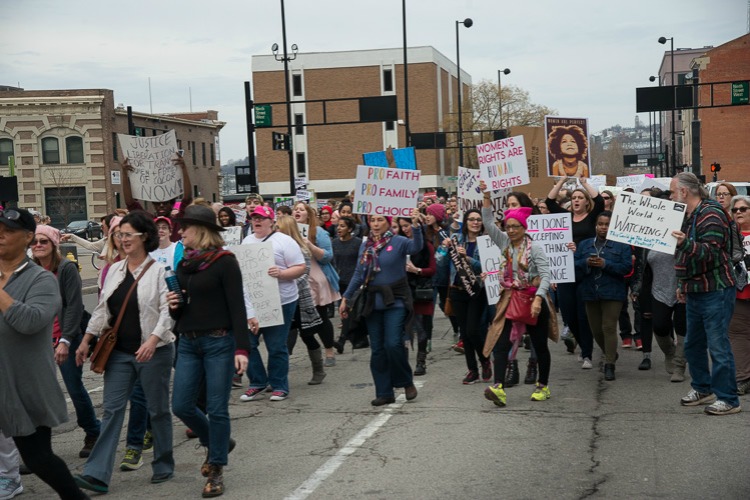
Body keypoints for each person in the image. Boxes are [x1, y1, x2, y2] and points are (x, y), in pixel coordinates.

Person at [74, 212, 175, 494]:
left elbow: (169, 313)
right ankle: (97, 474)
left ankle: (164, 463)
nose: (123, 240)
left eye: (128, 234)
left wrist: (153, 340)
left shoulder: (160, 270)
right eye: (120, 235)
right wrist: (86, 340)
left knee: (157, 409)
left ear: (145, 237)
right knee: (112, 410)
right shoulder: (115, 270)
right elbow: (102, 310)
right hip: (118, 354)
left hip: (155, 352)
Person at [0, 208, 89, 499]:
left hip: (25, 385)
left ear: (27, 238)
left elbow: (30, 321)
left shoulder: (42, 279)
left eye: (9, 230)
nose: (1, 235)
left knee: (39, 459)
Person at [168, 204, 251, 498]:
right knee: (181, 405)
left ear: (200, 231)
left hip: (220, 342)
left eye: (185, 227)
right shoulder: (183, 264)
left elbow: (237, 307)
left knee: (216, 408)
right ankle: (220, 441)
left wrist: (242, 347)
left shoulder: (225, 262)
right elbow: (179, 314)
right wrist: (174, 306)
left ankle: (216, 468)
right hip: (188, 342)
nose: (180, 232)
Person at [670, 172, 740, 415]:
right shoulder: (689, 215)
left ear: (684, 192)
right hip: (696, 289)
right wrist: (682, 284)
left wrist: (684, 244)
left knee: (718, 345)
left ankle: (728, 399)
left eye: (672, 191)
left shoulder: (710, 213)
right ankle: (702, 388)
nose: (670, 196)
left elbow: (711, 252)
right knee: (693, 344)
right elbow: (684, 257)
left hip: (716, 289)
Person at [32, 224, 101, 458]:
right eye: (35, 241)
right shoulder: (30, 270)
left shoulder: (66, 268)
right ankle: (39, 449)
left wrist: (66, 340)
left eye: (44, 241)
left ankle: (93, 431)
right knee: (38, 394)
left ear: (54, 245)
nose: (38, 245)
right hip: (39, 342)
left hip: (66, 339)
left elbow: (74, 306)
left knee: (74, 388)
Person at [340, 210, 422, 406]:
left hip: (396, 300)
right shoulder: (365, 246)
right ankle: (384, 392)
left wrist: (417, 226)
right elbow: (359, 274)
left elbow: (416, 246)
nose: (376, 224)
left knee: (393, 344)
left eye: (380, 220)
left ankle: (406, 381)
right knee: (377, 349)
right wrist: (346, 297)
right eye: (373, 220)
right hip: (372, 303)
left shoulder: (399, 241)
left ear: (388, 222)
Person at [480, 200, 553, 406]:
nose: (510, 230)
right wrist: (486, 196)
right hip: (512, 300)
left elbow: (546, 276)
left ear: (524, 228)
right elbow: (488, 222)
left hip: (533, 302)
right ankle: (499, 387)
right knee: (501, 344)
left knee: (539, 346)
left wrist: (538, 299)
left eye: (515, 227)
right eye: (508, 226)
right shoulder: (504, 244)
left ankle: (543, 385)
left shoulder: (535, 249)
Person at [240, 206, 305, 402]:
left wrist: (282, 273)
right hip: (255, 301)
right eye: (254, 218)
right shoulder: (247, 240)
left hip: (281, 300)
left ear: (271, 221)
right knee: (248, 343)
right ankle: (257, 382)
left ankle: (279, 385)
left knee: (276, 345)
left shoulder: (284, 241)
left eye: (261, 218)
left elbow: (300, 268)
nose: (257, 221)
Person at [546, 176, 605, 368]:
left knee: (582, 315)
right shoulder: (563, 217)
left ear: (586, 202)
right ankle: (581, 343)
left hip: (584, 271)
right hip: (564, 272)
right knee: (569, 316)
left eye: (580, 197)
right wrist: (562, 181)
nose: (577, 200)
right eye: (574, 197)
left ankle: (587, 353)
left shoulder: (591, 218)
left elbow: (600, 201)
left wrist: (583, 182)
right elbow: (548, 202)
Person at [574, 211, 632, 381]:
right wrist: (586, 262)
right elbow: (574, 264)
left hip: (612, 291)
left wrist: (606, 264)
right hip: (590, 291)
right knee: (596, 329)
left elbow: (627, 268)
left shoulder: (621, 245)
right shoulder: (585, 245)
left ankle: (609, 364)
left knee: (608, 327)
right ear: (596, 225)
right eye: (600, 224)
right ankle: (611, 352)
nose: (603, 227)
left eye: (607, 224)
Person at [438, 209, 490, 384]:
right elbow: (440, 261)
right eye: (471, 219)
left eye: (478, 220)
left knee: (473, 330)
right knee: (464, 334)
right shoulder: (456, 240)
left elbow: (487, 267)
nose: (475, 222)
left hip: (476, 291)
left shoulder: (486, 242)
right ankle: (472, 370)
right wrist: (444, 248)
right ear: (465, 222)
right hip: (457, 289)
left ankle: (484, 360)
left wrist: (467, 259)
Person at [275, 215, 327, 385]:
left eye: (278, 228)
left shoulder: (301, 249)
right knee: (283, 339)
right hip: (282, 299)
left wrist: (283, 280)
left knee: (307, 335)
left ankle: (318, 369)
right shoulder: (275, 247)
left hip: (300, 300)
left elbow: (303, 275)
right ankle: (278, 377)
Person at [292, 202, 341, 366]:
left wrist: (310, 245)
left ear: (308, 214)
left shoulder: (318, 232)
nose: (297, 211)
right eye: (295, 209)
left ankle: (329, 352)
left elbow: (328, 256)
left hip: (315, 276)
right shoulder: (287, 233)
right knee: (300, 320)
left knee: (321, 316)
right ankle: (314, 350)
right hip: (297, 278)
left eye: (301, 209)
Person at [122, 155, 192, 242]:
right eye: (157, 203)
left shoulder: (178, 221)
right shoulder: (148, 221)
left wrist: (184, 169)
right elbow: (130, 203)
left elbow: (187, 198)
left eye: (166, 202)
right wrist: (124, 174)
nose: (161, 205)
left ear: (172, 204)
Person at [398, 215, 436, 376]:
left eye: (408, 225)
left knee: (422, 328)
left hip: (422, 292)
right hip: (403, 291)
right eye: (402, 226)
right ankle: (403, 363)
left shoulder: (427, 246)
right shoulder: (400, 245)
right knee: (402, 329)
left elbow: (433, 269)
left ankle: (421, 362)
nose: (406, 229)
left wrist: (417, 270)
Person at [331, 216, 366, 352]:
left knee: (349, 312)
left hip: (355, 282)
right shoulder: (334, 243)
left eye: (342, 226)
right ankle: (361, 339)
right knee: (345, 312)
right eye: (338, 226)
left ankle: (341, 341)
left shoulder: (358, 243)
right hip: (340, 281)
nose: (339, 228)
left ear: (350, 229)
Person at [728, 195, 750, 395]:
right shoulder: (727, 235)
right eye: (735, 210)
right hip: (738, 293)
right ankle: (743, 378)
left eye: (743, 208)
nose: (739, 213)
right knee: (738, 335)